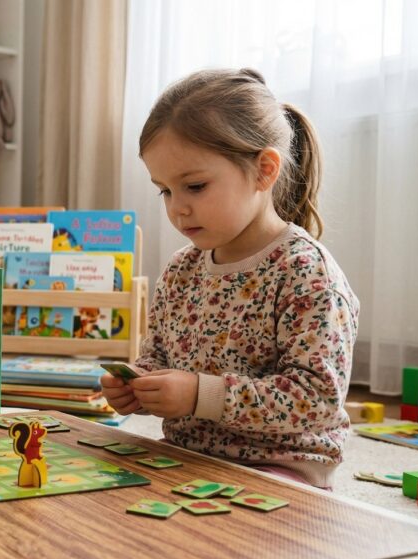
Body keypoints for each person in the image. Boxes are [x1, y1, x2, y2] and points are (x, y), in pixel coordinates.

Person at [102, 68, 359, 488]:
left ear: (264, 171)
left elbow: (316, 399)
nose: (177, 209)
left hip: (282, 467)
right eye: (165, 191)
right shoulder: (181, 269)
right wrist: (139, 385)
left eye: (195, 187)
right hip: (189, 457)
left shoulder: (306, 273)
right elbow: (161, 357)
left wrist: (199, 393)